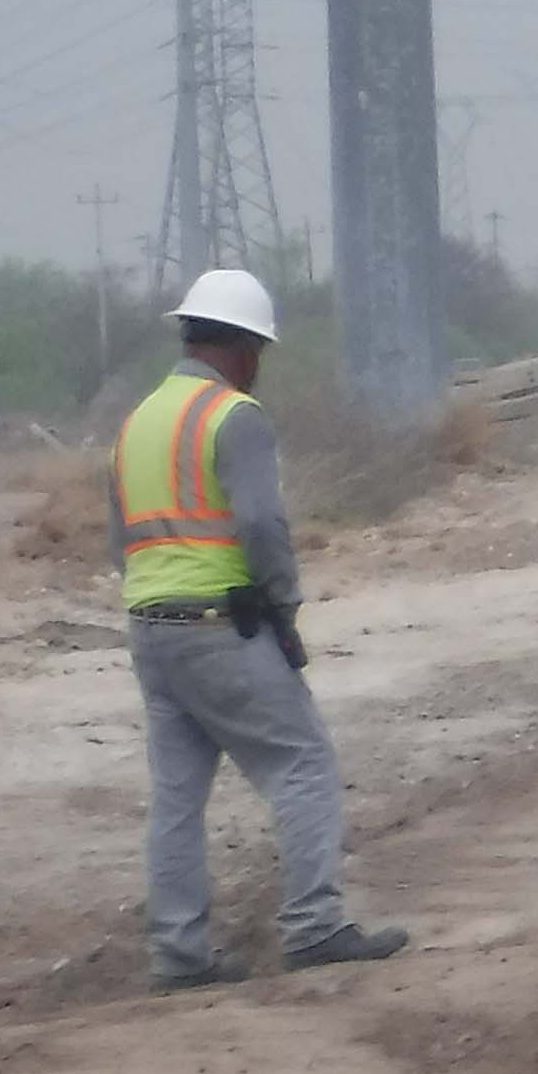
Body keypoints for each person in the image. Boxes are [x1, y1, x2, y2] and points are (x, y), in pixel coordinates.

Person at [115, 269, 407, 988]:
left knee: (177, 798)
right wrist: (284, 605)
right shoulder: (231, 416)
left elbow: (120, 531)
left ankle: (179, 955)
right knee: (303, 765)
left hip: (151, 629)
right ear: (243, 348)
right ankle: (315, 928)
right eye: (259, 353)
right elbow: (260, 524)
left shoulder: (141, 419)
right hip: (224, 624)